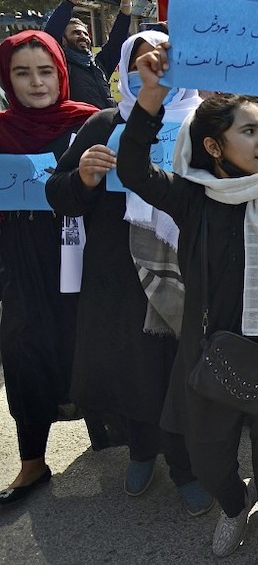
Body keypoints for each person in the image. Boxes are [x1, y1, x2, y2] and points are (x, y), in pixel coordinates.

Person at [116, 42, 258, 563]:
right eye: (248, 131)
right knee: (210, 464)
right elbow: (131, 171)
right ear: (214, 147)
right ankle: (235, 506)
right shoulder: (191, 197)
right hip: (209, 356)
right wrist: (150, 98)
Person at [45, 31, 213, 514]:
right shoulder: (102, 124)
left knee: (180, 367)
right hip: (117, 273)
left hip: (184, 265)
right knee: (134, 367)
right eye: (140, 65)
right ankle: (142, 450)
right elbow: (56, 194)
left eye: (160, 64)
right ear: (124, 69)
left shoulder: (202, 123)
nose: (150, 74)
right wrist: (84, 177)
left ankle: (185, 465)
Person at [0, 31, 99, 507]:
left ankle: (111, 432)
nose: (35, 83)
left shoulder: (89, 124)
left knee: (88, 341)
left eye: (45, 71)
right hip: (20, 261)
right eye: (22, 72)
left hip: (79, 251)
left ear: (61, 72)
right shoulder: (0, 130)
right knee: (23, 351)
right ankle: (32, 462)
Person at [43, 0, 133, 109]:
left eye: (85, 33)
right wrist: (70, 1)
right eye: (76, 33)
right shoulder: (61, 68)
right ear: (64, 41)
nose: (83, 36)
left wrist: (126, 4)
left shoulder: (98, 65)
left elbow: (117, 41)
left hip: (107, 126)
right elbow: (49, 37)